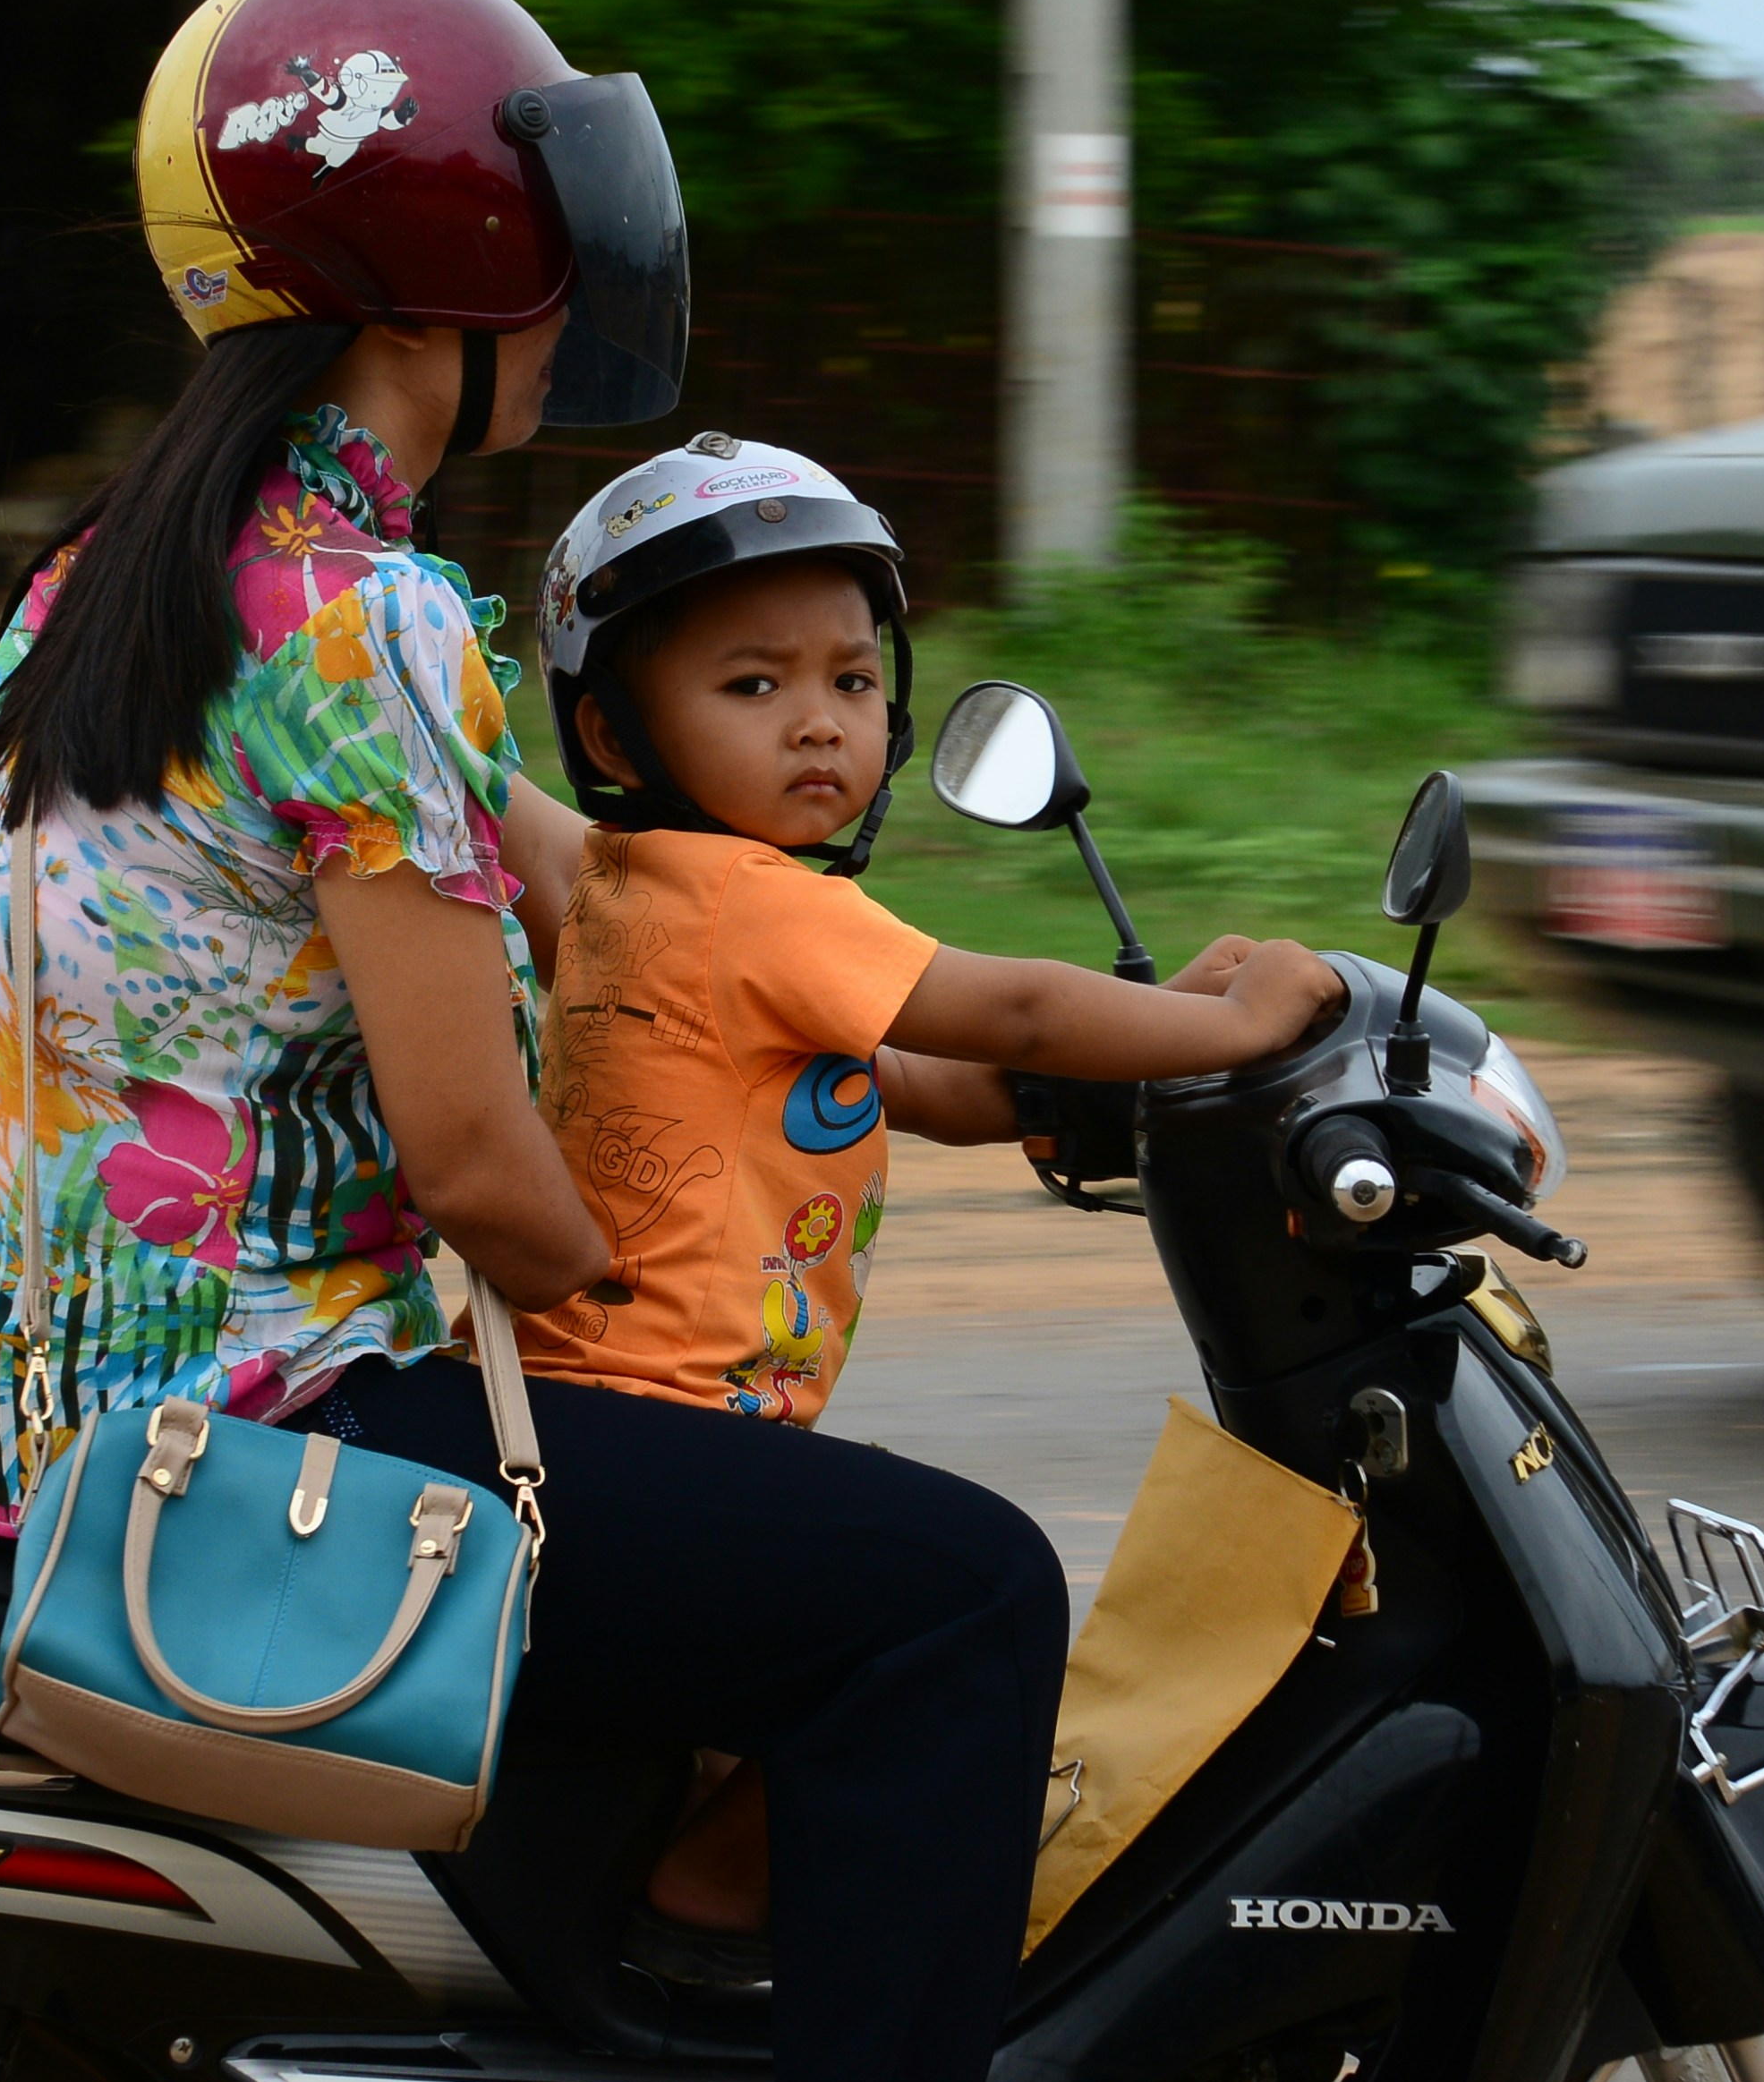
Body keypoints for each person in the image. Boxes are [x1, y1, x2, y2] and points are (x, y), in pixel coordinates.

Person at [0, 0, 1212, 2082]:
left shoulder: (122, 583)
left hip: (21, 1418)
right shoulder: (359, 614)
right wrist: (659, 1254)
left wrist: (917, 1058)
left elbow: (583, 885)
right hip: (264, 1456)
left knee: (757, 1593)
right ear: (455, 260)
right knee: (949, 1599)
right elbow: (490, 1166)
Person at [509, 438, 1348, 1951]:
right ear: (616, 734)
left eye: (848, 679)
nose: (819, 724)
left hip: (612, 1421)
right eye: (751, 687)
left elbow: (931, 1079)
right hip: (662, 1429)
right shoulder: (750, 899)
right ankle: (716, 1896)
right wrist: (1227, 1026)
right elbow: (1004, 1013)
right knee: (953, 1615)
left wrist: (1115, 1065)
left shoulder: (643, 890)